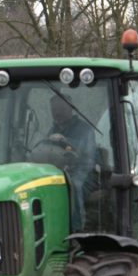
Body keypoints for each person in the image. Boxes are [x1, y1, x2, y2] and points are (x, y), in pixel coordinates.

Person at [47, 94, 96, 230]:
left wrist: (65, 140)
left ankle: (76, 229)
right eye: (54, 110)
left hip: (85, 171)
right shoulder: (53, 130)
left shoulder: (85, 129)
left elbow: (86, 153)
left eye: (61, 109)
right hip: (59, 170)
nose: (57, 113)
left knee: (73, 185)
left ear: (70, 109)